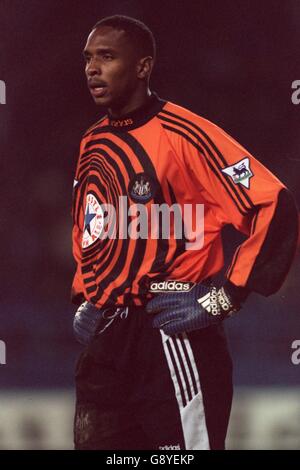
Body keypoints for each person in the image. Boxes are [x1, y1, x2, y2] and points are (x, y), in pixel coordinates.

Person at [71, 15, 298, 450]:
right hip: (106, 348)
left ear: (143, 67)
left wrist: (224, 297)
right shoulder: (92, 143)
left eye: (106, 56)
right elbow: (90, 225)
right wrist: (87, 294)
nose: (91, 69)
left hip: (172, 335)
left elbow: (273, 203)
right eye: (87, 59)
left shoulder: (186, 134)